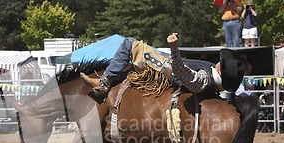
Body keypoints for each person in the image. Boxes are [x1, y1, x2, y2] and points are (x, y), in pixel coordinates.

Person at [80, 34, 224, 99]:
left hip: (166, 71)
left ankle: (104, 83)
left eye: (223, 64)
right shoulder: (210, 75)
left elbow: (183, 74)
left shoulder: (204, 79)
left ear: (221, 71)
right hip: (168, 66)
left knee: (129, 44)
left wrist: (174, 49)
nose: (220, 61)